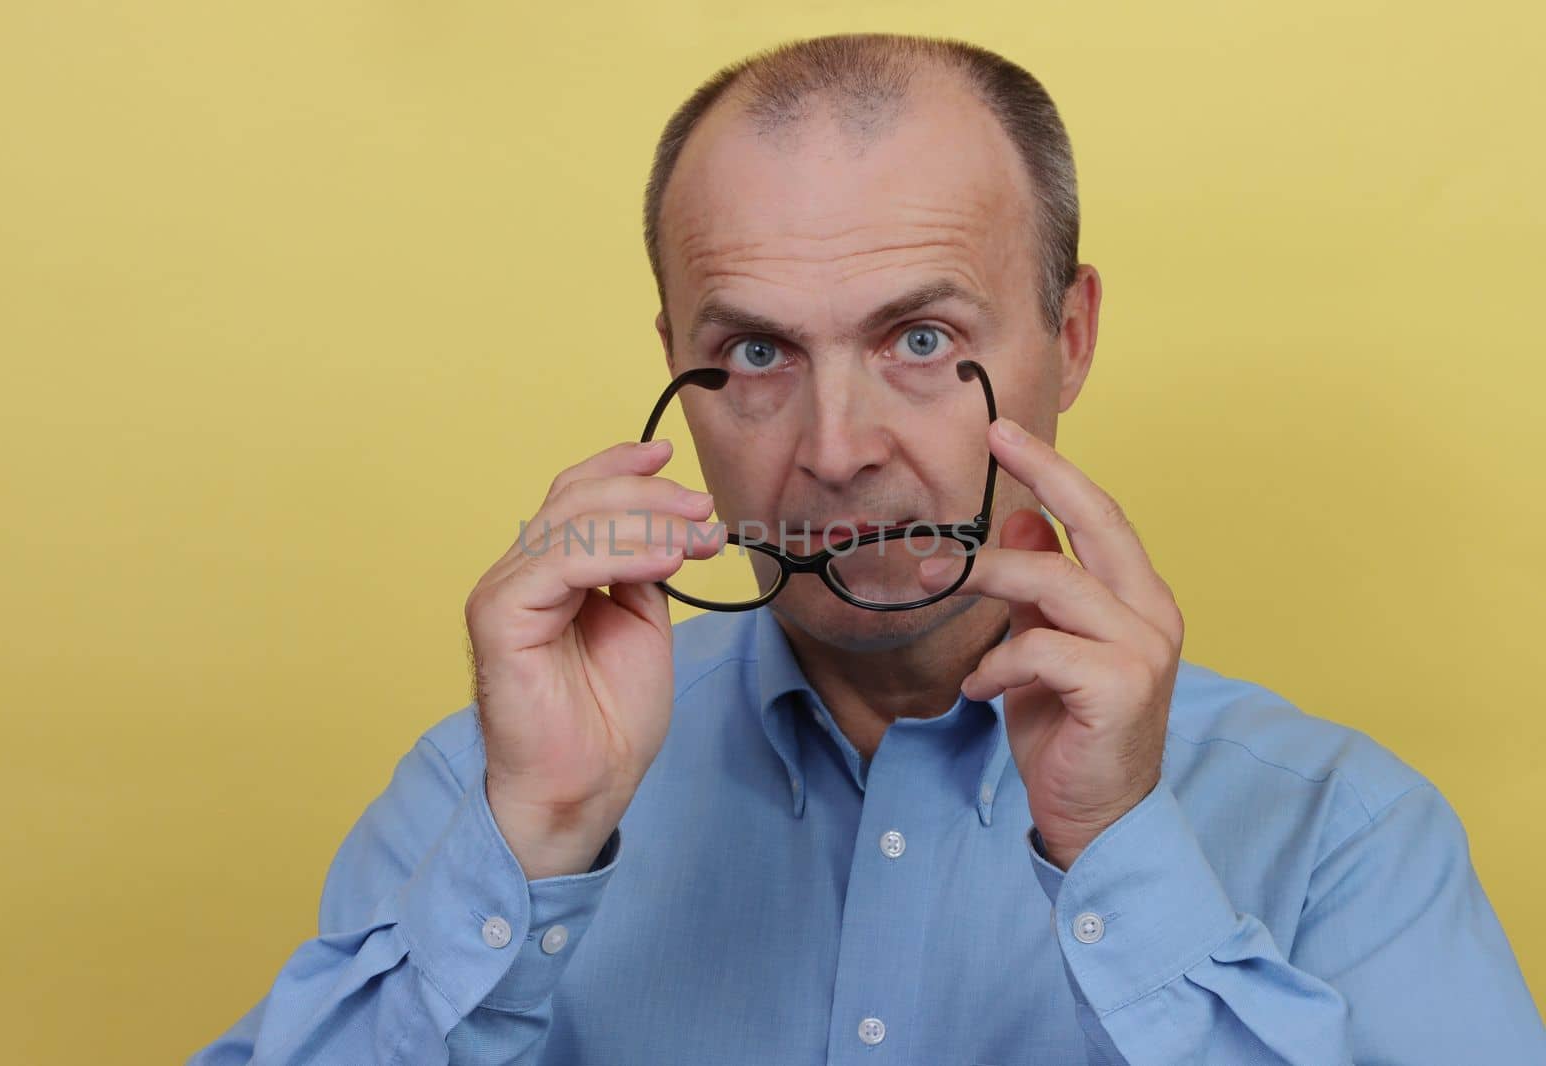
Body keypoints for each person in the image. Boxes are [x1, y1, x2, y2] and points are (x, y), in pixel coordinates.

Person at [188, 32, 1545, 1065]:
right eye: (759, 351)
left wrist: (1122, 856)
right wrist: (535, 837)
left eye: (922, 341)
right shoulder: (481, 792)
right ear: (676, 363)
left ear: (1067, 338)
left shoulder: (1342, 836)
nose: (836, 447)